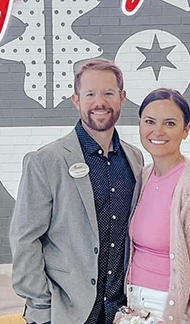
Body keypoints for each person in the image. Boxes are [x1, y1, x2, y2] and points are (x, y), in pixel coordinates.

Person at [10, 58, 144, 324]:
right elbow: (24, 239)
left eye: (108, 93)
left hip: (119, 312)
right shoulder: (47, 161)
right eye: (90, 94)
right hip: (65, 313)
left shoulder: (134, 159)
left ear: (122, 98)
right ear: (76, 100)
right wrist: (42, 305)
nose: (100, 102)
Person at [120, 88, 190, 324]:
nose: (157, 131)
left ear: (186, 130)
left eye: (170, 123)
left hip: (170, 308)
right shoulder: (143, 176)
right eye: (150, 121)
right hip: (134, 304)